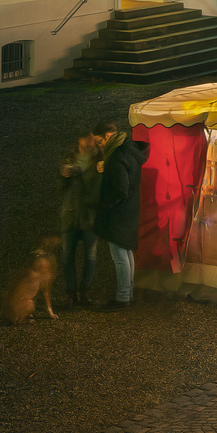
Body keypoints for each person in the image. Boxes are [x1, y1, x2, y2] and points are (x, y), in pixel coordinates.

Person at [93, 127, 149, 311]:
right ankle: (127, 293)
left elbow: (120, 188)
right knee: (126, 252)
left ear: (108, 136)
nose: (100, 147)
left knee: (119, 255)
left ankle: (123, 297)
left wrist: (106, 205)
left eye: (100, 142)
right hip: (130, 210)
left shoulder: (118, 157)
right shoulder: (131, 153)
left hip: (119, 214)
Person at [59, 122, 114, 306]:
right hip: (70, 215)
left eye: (91, 139)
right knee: (68, 257)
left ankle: (85, 292)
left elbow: (97, 187)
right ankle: (71, 293)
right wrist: (63, 176)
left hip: (89, 215)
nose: (90, 143)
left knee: (90, 257)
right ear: (80, 141)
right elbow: (60, 189)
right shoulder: (69, 157)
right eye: (87, 139)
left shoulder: (99, 160)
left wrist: (79, 173)